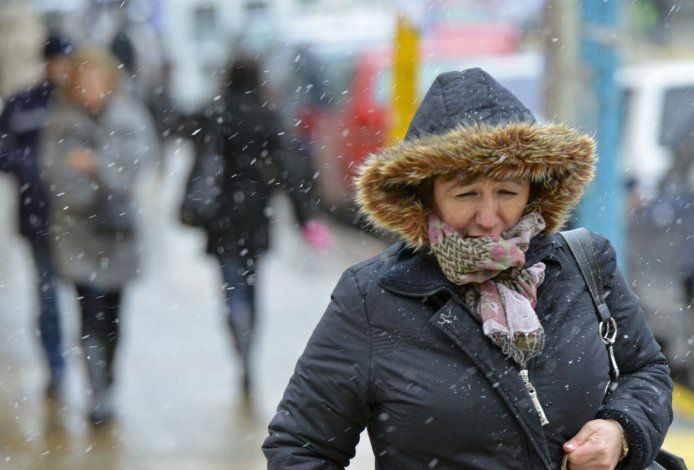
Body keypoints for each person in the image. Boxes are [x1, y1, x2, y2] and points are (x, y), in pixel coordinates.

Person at [263, 69, 673, 469]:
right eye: (466, 194)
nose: (489, 217)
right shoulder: (373, 298)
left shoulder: (585, 263)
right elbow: (300, 446)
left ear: (534, 189)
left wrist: (621, 430)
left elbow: (645, 371)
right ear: (425, 196)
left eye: (507, 191)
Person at [197, 55, 331, 395]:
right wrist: (304, 217)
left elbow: (202, 162)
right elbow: (290, 170)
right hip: (256, 214)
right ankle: (249, 347)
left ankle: (239, 339)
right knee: (252, 284)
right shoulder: (267, 115)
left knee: (230, 285)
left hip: (222, 215)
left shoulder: (216, 112)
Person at [40, 47, 157, 425]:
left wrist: (98, 166)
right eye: (83, 82)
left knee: (113, 316)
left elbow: (138, 164)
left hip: (118, 234)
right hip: (78, 234)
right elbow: (56, 175)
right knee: (88, 313)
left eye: (97, 81)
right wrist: (92, 187)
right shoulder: (62, 123)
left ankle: (108, 376)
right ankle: (97, 392)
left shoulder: (129, 117)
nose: (90, 90)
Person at [0, 33, 74, 398]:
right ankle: (56, 364)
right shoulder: (22, 104)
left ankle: (94, 370)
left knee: (89, 298)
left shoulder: (79, 102)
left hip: (79, 219)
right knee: (47, 295)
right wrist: (34, 169)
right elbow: (4, 152)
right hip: (37, 216)